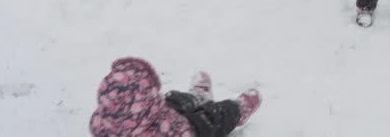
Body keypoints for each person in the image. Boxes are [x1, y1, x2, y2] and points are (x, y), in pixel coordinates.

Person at [89, 57, 262, 137]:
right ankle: (237, 111)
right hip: (185, 129)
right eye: (152, 93)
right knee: (209, 119)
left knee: (171, 98)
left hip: (152, 118)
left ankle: (196, 98)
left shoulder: (101, 121)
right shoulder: (171, 131)